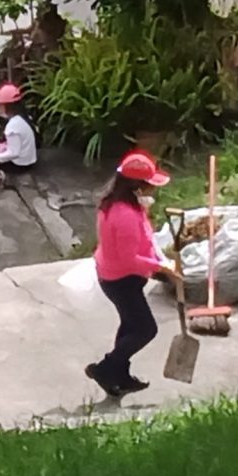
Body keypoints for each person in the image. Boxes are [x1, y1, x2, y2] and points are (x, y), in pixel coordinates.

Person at [86, 151, 181, 397]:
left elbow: (145, 237)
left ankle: (119, 376)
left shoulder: (119, 204)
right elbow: (129, 258)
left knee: (130, 325)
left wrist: (159, 257)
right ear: (137, 185)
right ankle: (107, 368)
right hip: (120, 279)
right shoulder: (124, 215)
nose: (153, 190)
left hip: (118, 274)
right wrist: (161, 268)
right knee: (145, 329)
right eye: (150, 184)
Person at [0, 83, 38, 189]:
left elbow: (14, 153)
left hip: (21, 165)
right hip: (30, 158)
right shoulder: (24, 118)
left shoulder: (13, 127)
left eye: (0, 105)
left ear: (7, 106)